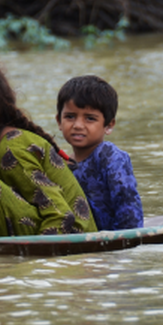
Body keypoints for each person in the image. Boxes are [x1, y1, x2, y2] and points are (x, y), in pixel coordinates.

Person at [0, 58, 98, 237]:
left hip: (73, 238)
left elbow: (61, 216)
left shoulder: (13, 150)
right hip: (49, 226)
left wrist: (36, 265)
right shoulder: (6, 144)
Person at [56, 75, 143, 230]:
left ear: (109, 125)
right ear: (59, 122)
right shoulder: (61, 165)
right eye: (70, 117)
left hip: (115, 240)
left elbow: (128, 205)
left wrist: (122, 246)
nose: (78, 125)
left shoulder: (109, 156)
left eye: (89, 118)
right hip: (84, 239)